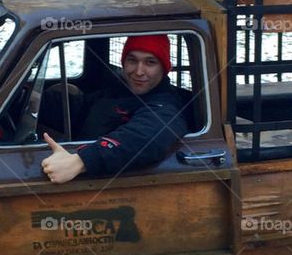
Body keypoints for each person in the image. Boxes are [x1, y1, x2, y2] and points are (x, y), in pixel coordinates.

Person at [41, 34, 187, 184]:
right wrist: (33, 101)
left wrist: (81, 161)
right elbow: (79, 108)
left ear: (164, 68)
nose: (138, 71)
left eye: (150, 62)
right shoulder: (116, 92)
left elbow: (144, 136)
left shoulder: (165, 105)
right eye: (132, 60)